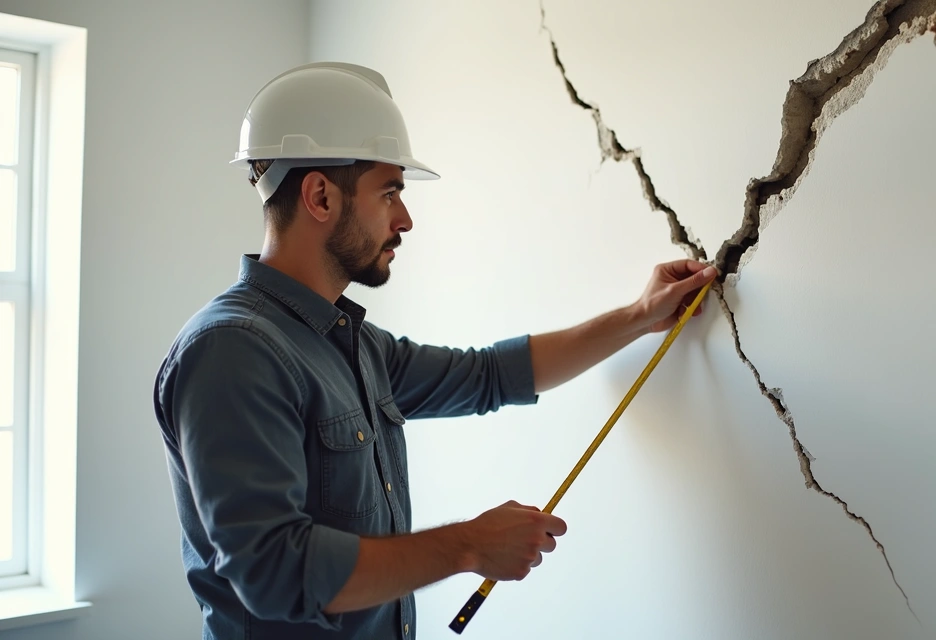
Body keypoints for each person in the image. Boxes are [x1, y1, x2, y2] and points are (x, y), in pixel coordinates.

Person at [152, 61, 718, 639]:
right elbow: (274, 571)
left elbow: (488, 375)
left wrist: (638, 316)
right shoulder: (233, 351)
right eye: (390, 191)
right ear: (320, 195)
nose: (406, 218)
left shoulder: (349, 344)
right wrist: (469, 545)